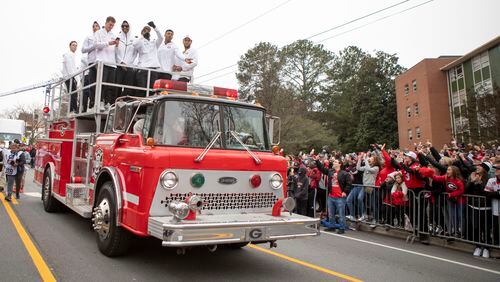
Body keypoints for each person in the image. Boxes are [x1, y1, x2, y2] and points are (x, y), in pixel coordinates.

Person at [316, 156, 351, 234]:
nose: (333, 163)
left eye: (335, 162)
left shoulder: (345, 173)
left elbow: (349, 184)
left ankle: (342, 228)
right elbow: (322, 169)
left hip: (340, 197)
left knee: (341, 214)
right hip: (331, 196)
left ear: (340, 164)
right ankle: (332, 226)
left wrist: (345, 192)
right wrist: (317, 161)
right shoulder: (331, 171)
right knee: (331, 213)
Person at [432, 166, 465, 238]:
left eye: (449, 170)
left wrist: (452, 194)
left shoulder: (459, 180)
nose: (447, 171)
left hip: (460, 201)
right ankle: (455, 231)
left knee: (460, 216)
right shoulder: (446, 177)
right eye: (447, 169)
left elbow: (461, 190)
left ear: (454, 171)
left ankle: (461, 232)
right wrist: (429, 173)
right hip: (451, 200)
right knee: (453, 215)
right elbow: (436, 178)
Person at [94, 16, 119, 109]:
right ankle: (100, 102)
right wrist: (108, 43)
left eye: (113, 25)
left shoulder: (113, 34)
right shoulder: (98, 33)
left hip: (112, 63)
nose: (111, 27)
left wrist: (116, 45)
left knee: (110, 85)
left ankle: (107, 102)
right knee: (102, 83)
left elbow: (115, 50)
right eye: (110, 25)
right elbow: (96, 45)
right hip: (102, 62)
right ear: (106, 23)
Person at [133, 22, 163, 96]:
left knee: (152, 91)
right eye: (145, 30)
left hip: (153, 69)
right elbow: (135, 45)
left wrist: (155, 27)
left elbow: (161, 38)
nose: (146, 31)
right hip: (143, 68)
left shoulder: (154, 42)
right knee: (142, 90)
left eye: (148, 30)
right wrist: (142, 36)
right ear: (142, 32)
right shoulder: (139, 41)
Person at [115, 20, 138, 97]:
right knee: (117, 86)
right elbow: (115, 51)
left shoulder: (134, 39)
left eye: (127, 26)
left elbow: (135, 53)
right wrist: (121, 62)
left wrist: (128, 64)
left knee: (128, 87)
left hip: (129, 66)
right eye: (123, 26)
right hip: (119, 65)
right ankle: (114, 103)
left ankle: (125, 102)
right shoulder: (117, 38)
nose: (125, 27)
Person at [82, 21, 100, 112]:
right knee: (92, 84)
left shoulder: (102, 36)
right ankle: (92, 103)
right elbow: (83, 50)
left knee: (101, 84)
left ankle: (99, 102)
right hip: (92, 62)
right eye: (93, 26)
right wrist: (93, 46)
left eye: (97, 26)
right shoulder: (88, 37)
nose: (95, 27)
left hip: (101, 62)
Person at [62, 40, 79, 113]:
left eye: (76, 45)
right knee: (73, 93)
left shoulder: (73, 55)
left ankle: (73, 109)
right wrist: (73, 77)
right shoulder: (68, 54)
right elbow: (69, 67)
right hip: (70, 77)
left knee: (74, 93)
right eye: (73, 45)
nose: (75, 46)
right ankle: (73, 109)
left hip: (72, 76)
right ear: (70, 46)